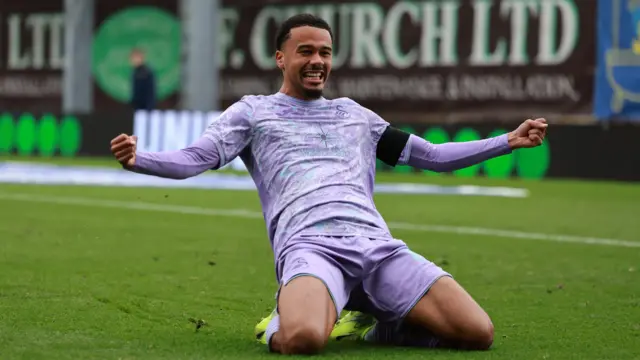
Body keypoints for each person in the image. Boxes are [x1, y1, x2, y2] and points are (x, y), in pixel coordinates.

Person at [110, 14, 548, 355]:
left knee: (477, 333)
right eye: (305, 51)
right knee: (303, 341)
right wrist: (139, 159)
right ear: (281, 58)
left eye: (325, 52)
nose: (317, 61)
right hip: (310, 248)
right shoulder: (252, 112)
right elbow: (194, 159)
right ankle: (282, 320)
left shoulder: (356, 115)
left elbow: (430, 156)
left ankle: (384, 329)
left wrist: (507, 141)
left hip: (377, 248)